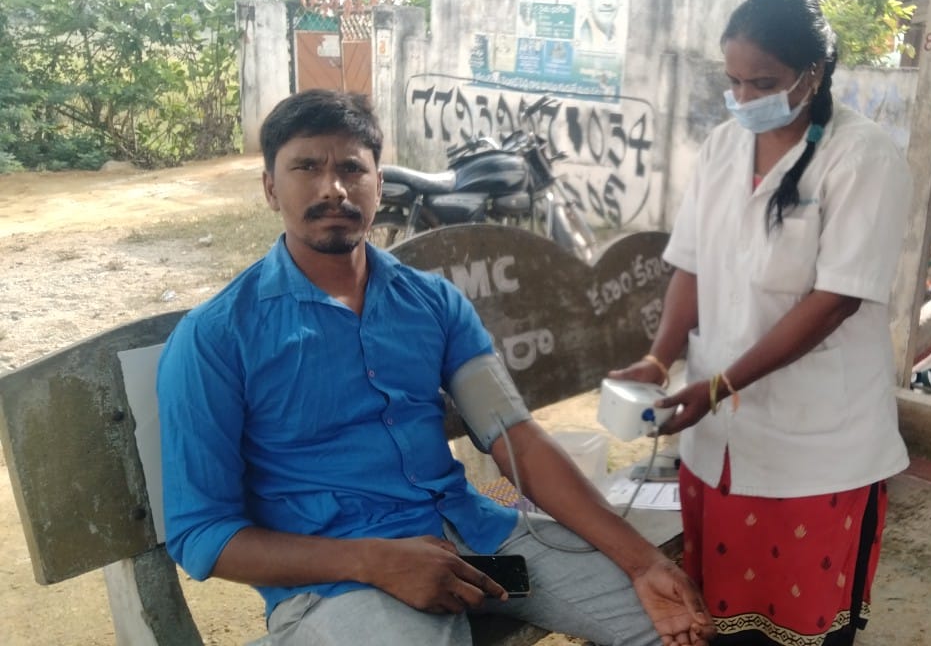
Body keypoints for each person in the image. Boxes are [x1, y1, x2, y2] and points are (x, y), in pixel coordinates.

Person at [156, 90, 714, 646]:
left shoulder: (432, 302)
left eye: (352, 168)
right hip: (343, 586)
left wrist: (643, 562)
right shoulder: (218, 337)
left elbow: (514, 439)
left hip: (479, 545)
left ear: (379, 184)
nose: (333, 189)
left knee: (670, 627)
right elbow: (203, 533)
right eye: (306, 167)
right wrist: (371, 561)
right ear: (270, 187)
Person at [609, 0, 911, 645]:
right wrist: (660, 357)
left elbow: (835, 301)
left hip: (815, 445)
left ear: (814, 72)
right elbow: (691, 265)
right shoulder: (723, 146)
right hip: (717, 439)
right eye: (734, 82)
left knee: (800, 626)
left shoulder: (863, 157)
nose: (745, 98)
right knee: (719, 618)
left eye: (764, 83)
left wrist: (721, 385)